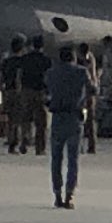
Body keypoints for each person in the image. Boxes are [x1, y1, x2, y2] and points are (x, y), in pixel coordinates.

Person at [45, 42, 91, 209]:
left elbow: (46, 91)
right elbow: (92, 88)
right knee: (73, 159)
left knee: (56, 159)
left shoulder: (51, 73)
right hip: (74, 117)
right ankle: (69, 195)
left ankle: (57, 194)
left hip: (57, 117)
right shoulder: (81, 72)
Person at [18, 38, 51, 155]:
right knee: (41, 122)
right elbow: (49, 77)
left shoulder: (25, 58)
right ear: (42, 47)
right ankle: (40, 148)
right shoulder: (46, 60)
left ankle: (24, 140)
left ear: (32, 45)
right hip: (40, 91)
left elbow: (19, 74)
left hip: (26, 90)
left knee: (26, 119)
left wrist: (20, 89)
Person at [0, 36, 27, 152]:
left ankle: (11, 141)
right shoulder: (22, 62)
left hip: (8, 91)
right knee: (20, 119)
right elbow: (19, 77)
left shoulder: (6, 61)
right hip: (18, 91)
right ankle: (20, 141)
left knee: (10, 119)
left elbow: (1, 76)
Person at [75, 42, 99, 156]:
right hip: (90, 92)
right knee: (90, 121)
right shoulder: (91, 59)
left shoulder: (79, 63)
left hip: (81, 94)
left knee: (80, 121)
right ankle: (91, 146)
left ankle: (80, 146)